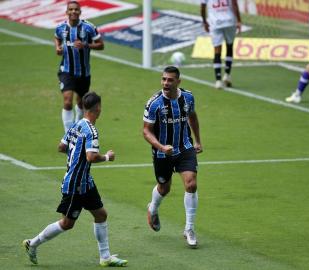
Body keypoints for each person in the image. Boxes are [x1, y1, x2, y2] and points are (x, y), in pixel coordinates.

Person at [22, 92, 127, 267]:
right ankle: (32, 244)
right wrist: (107, 157)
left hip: (86, 182)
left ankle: (105, 257)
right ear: (98, 108)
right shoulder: (91, 130)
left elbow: (61, 146)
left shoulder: (76, 125)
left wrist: (74, 155)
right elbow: (91, 157)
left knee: (101, 214)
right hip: (75, 184)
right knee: (67, 223)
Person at [143, 66, 202, 248]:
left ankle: (189, 228)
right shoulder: (154, 103)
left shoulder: (188, 97)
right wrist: (161, 146)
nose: (165, 83)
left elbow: (192, 116)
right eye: (163, 79)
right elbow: (146, 131)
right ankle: (153, 207)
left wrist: (197, 141)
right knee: (164, 188)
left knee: (191, 184)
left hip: (184, 147)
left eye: (169, 80)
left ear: (178, 82)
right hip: (162, 152)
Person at [55, 1, 104, 133]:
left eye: (76, 9)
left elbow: (101, 45)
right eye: (70, 10)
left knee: (81, 102)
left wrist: (86, 45)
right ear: (67, 12)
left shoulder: (88, 27)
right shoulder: (60, 28)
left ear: (80, 12)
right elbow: (57, 38)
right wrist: (58, 48)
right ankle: (68, 134)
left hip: (84, 73)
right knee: (67, 101)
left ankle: (76, 128)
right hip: (66, 70)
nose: (73, 12)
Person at [201, 0, 242, 89]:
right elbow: (234, 4)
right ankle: (227, 75)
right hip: (230, 21)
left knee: (217, 50)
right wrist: (239, 20)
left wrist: (204, 22)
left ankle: (218, 80)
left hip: (215, 22)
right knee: (229, 46)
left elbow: (203, 7)